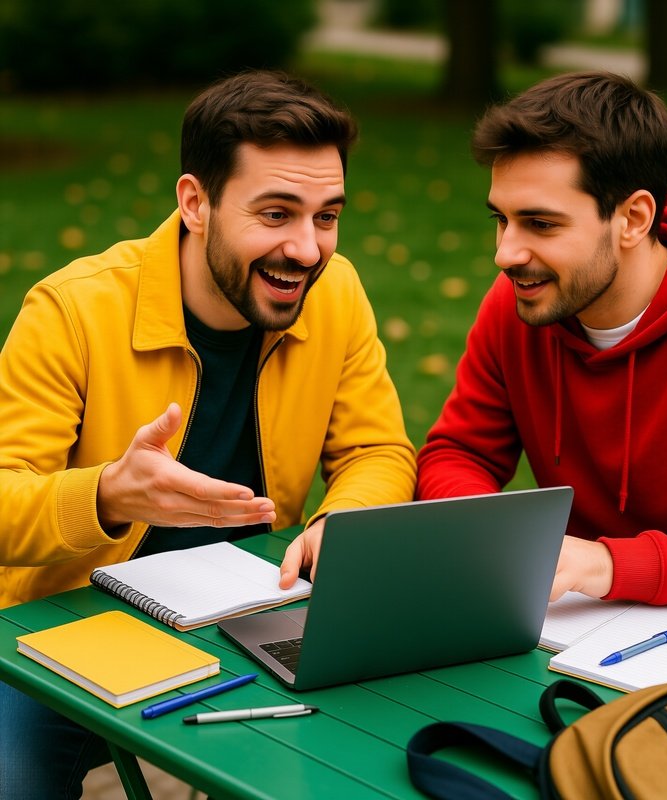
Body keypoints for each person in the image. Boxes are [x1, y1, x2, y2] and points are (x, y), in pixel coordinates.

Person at [0, 69, 415, 797]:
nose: (309, 249)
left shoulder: (337, 292)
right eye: (277, 213)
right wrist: (107, 495)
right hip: (65, 634)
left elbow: (377, 451)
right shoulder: (71, 310)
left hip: (250, 624)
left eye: (327, 216)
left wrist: (345, 516)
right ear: (196, 203)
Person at [416, 71, 667, 607]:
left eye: (541, 224)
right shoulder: (518, 305)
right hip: (578, 619)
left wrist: (607, 563)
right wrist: (493, 538)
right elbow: (458, 452)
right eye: (500, 219)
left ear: (633, 219)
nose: (506, 253)